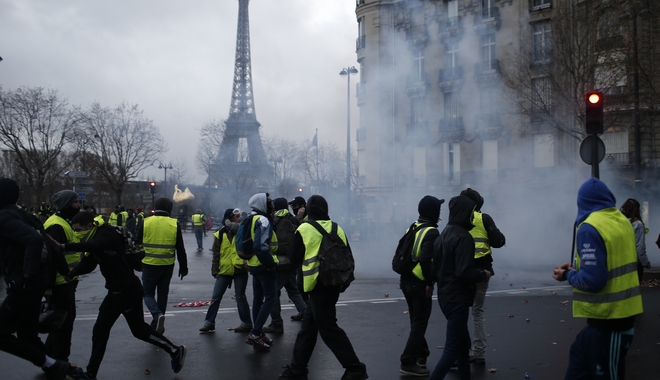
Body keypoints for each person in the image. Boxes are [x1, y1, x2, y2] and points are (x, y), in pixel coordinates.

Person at [57, 211, 186, 380]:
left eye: (78, 230)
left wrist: (64, 246)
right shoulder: (95, 238)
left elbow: (95, 246)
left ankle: (175, 350)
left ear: (89, 227)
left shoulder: (106, 234)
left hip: (128, 291)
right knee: (100, 331)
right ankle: (91, 374)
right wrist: (74, 272)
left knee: (139, 330)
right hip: (114, 292)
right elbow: (90, 262)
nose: (76, 234)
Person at [552, 178, 643, 379]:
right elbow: (610, 262)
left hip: (609, 323)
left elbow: (593, 281)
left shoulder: (589, 226)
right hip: (618, 319)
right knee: (577, 366)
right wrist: (577, 268)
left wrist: (567, 274)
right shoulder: (621, 221)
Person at [278, 195, 368, 380]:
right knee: (309, 327)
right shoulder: (337, 227)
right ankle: (297, 369)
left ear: (309, 210)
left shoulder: (305, 228)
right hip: (334, 283)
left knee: (327, 328)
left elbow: (293, 257)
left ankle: (355, 368)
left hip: (316, 284)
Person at [0, 178, 74, 380]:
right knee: (27, 334)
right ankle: (62, 368)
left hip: (25, 284)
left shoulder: (4, 218)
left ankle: (52, 364)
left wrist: (26, 274)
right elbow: (50, 244)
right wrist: (62, 269)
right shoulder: (26, 215)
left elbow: (34, 240)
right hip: (36, 282)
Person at [429, 195, 492, 380]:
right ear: (465, 213)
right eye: (472, 213)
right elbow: (464, 271)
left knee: (463, 347)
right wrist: (483, 274)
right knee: (452, 350)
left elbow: (434, 271)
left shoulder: (443, 235)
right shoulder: (463, 237)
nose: (473, 217)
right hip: (458, 299)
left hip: (445, 297)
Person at [398, 195, 443, 377]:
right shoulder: (431, 232)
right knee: (419, 323)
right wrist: (429, 282)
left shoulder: (414, 226)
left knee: (416, 321)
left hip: (406, 280)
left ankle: (421, 355)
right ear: (433, 212)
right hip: (419, 283)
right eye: (438, 209)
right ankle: (408, 361)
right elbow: (425, 259)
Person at [459, 188, 505, 364]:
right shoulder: (484, 218)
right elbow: (499, 240)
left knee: (461, 313)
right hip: (482, 272)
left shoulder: (458, 220)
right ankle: (479, 352)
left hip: (463, 273)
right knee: (477, 312)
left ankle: (460, 351)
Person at [136, 197, 188, 334]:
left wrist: (136, 262)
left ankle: (157, 316)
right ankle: (157, 325)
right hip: (167, 265)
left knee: (147, 294)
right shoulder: (174, 223)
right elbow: (180, 248)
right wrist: (184, 267)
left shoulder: (146, 222)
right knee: (162, 295)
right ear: (169, 208)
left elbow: (136, 244)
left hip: (149, 264)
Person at [199, 208, 253, 333]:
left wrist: (248, 262)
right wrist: (215, 270)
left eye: (240, 216)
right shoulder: (221, 233)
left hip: (240, 268)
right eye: (237, 217)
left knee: (240, 297)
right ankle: (209, 323)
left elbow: (250, 249)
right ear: (229, 218)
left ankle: (246, 323)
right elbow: (216, 254)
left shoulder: (244, 231)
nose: (240, 218)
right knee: (216, 297)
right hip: (225, 269)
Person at [43, 190, 82, 362]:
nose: (78, 206)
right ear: (66, 204)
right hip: (60, 281)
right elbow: (50, 256)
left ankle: (49, 357)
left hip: (66, 280)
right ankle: (60, 361)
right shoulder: (56, 225)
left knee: (59, 321)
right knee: (64, 324)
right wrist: (49, 284)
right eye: (75, 203)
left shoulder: (63, 222)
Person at [263, 198, 307, 334]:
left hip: (279, 263)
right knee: (293, 291)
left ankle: (276, 324)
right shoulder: (294, 220)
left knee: (273, 293)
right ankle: (308, 315)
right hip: (292, 262)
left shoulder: (274, 221)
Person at [244, 193, 278, 350]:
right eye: (269, 202)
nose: (271, 205)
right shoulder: (263, 220)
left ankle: (257, 332)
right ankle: (256, 333)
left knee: (258, 299)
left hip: (253, 264)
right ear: (262, 203)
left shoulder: (251, 218)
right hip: (264, 265)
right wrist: (270, 263)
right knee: (270, 298)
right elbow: (260, 246)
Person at [620, 198, 651, 282]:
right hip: (634, 262)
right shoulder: (638, 225)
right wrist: (645, 262)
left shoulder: (619, 223)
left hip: (620, 260)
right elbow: (640, 246)